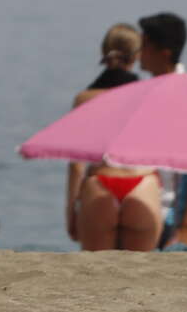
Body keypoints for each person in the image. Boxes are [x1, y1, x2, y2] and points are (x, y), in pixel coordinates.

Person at [64, 20, 163, 251]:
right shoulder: (153, 95)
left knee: (97, 275)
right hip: (142, 184)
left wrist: (71, 209)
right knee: (139, 272)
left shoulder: (84, 99)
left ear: (103, 52)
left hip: (100, 183)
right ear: (136, 55)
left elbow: (76, 164)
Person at [138, 11, 187, 248]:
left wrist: (185, 225)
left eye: (144, 46)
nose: (138, 53)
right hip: (142, 202)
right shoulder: (143, 93)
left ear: (163, 53)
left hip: (169, 214)